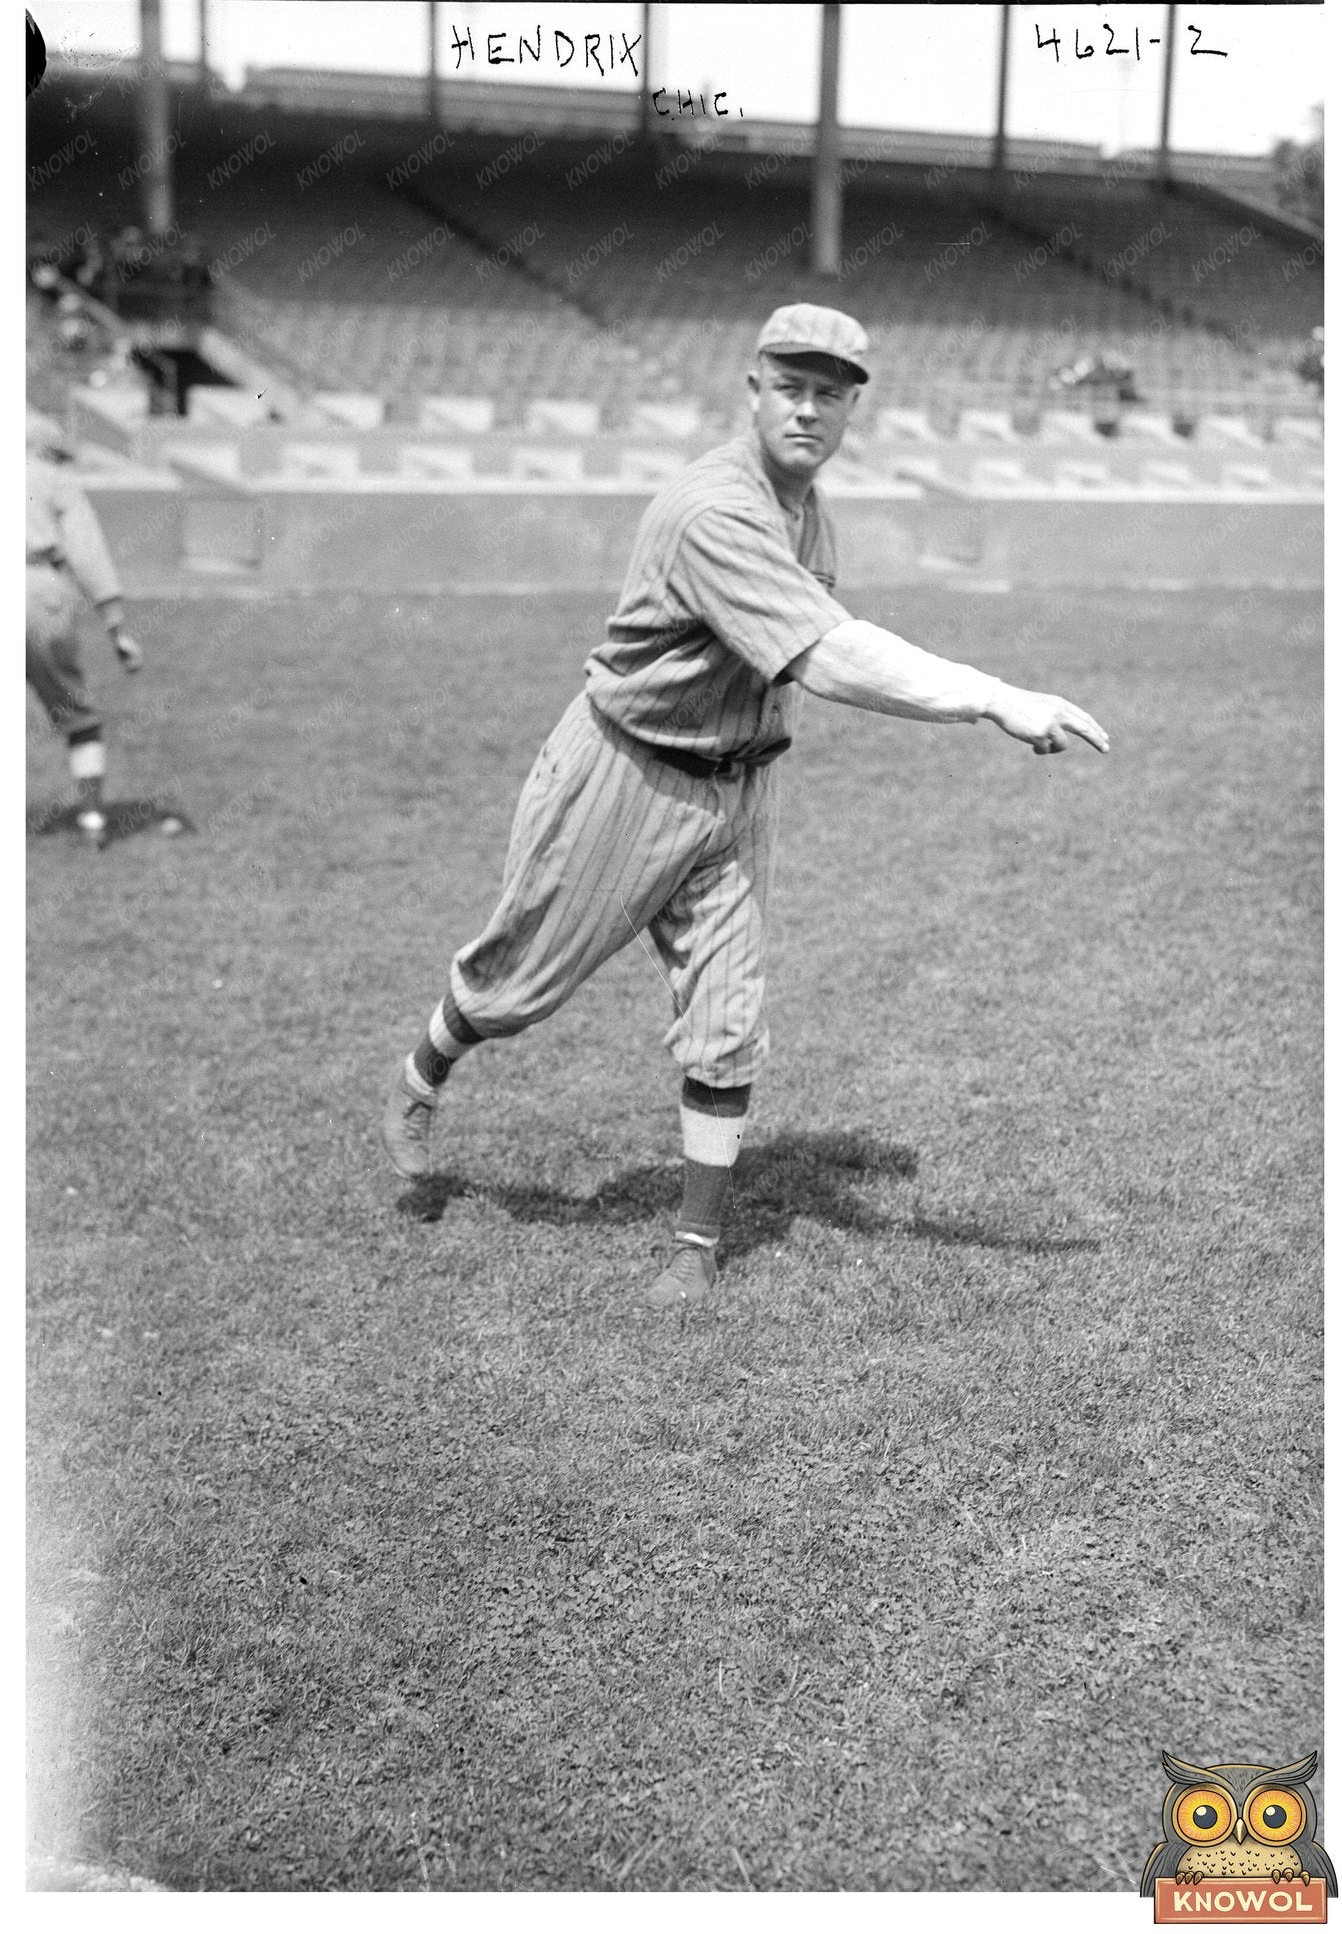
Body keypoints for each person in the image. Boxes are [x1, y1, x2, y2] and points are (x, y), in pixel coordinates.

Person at [381, 304, 1109, 1310]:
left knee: (729, 1016)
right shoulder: (711, 508)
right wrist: (991, 693)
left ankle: (695, 1244)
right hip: (627, 768)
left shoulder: (809, 510)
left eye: (831, 392)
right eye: (793, 386)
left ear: (853, 407)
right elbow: (830, 655)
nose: (810, 408)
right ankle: (424, 1077)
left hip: (738, 781)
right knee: (515, 984)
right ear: (754, 389)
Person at [26, 410, 143, 848]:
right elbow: (87, 553)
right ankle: (93, 820)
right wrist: (117, 628)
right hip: (40, 591)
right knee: (77, 716)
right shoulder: (54, 479)